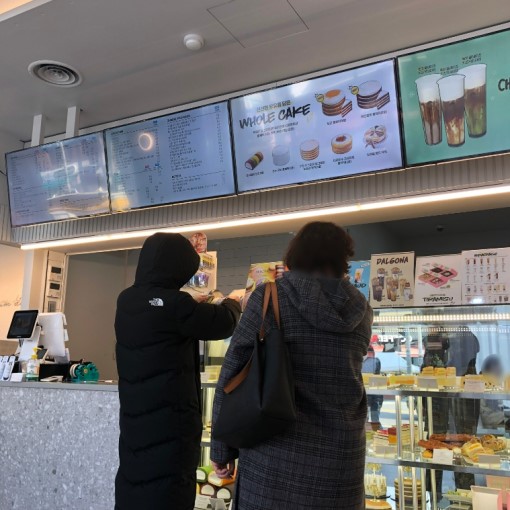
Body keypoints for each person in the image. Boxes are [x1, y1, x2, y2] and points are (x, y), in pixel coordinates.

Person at [211, 221, 373, 510]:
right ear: (342, 260)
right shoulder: (361, 308)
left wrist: (222, 449)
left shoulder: (270, 296)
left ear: (295, 255)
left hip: (273, 454)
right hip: (341, 460)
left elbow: (233, 371)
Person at [114, 233, 241, 510]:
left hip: (136, 424)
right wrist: (233, 301)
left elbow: (162, 314)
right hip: (171, 425)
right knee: (169, 490)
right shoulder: (175, 305)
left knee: (137, 483)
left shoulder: (127, 300)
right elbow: (223, 323)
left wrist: (190, 303)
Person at [480, 355, 506, 430]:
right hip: (491, 429)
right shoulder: (484, 387)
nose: (499, 370)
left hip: (498, 425)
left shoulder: (495, 385)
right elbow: (487, 418)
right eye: (496, 368)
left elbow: (498, 408)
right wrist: (505, 419)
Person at [362, 346, 384, 423]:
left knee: (366, 419)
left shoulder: (374, 361)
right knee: (374, 418)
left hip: (368, 394)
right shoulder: (376, 361)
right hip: (374, 394)